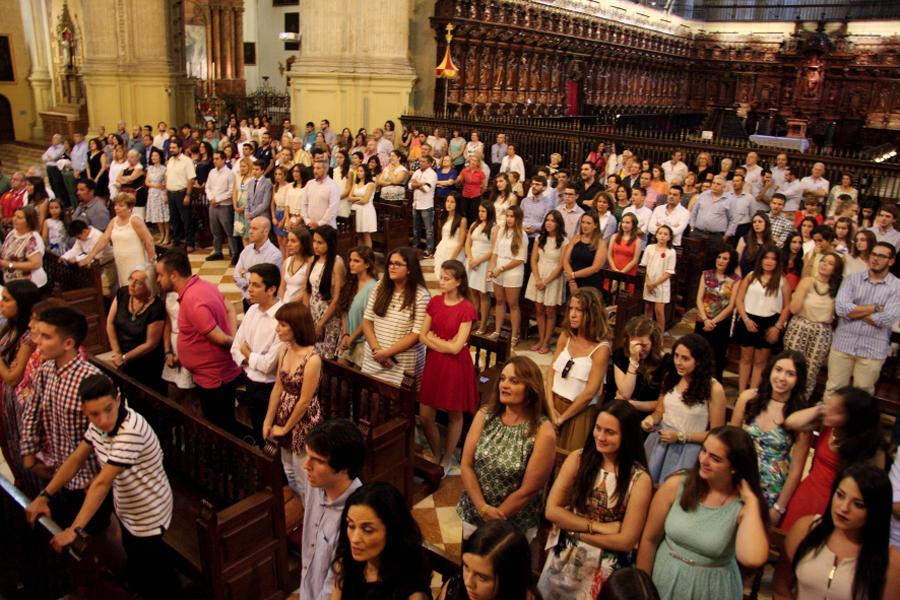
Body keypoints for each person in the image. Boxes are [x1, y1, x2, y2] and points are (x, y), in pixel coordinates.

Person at [24, 373, 180, 598]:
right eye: (94, 414)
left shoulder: (130, 432)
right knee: (137, 560)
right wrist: (44, 495)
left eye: (108, 409)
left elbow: (102, 482)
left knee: (156, 572)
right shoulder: (98, 426)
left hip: (149, 510)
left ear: (118, 399)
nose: (103, 420)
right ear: (85, 410)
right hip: (128, 505)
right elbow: (76, 458)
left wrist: (73, 530)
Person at [636, 426, 770, 600]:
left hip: (712, 589)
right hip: (664, 579)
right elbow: (649, 539)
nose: (703, 460)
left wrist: (752, 503)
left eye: (715, 458)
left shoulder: (743, 506)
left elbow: (752, 558)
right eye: (704, 451)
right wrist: (642, 588)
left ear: (734, 467)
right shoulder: (676, 485)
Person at [540, 401, 653, 597]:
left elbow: (625, 541)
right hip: (564, 560)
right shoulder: (578, 459)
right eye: (598, 429)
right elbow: (552, 510)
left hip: (605, 567)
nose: (600, 437)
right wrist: (598, 527)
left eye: (610, 432)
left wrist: (574, 531)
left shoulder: (639, 479)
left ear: (626, 435)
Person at [20, 307, 114, 533]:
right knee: (62, 524)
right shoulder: (44, 371)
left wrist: (101, 477)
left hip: (88, 479)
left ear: (68, 344)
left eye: (46, 337)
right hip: (58, 470)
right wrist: (30, 455)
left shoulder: (91, 380)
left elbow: (107, 434)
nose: (37, 342)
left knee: (91, 533)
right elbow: (31, 414)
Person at [457, 356, 557, 540]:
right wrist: (482, 508)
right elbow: (466, 465)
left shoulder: (543, 431)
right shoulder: (485, 415)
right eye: (502, 379)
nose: (504, 385)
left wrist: (495, 518)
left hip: (513, 524)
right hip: (474, 512)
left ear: (531, 388)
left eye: (514, 381)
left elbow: (528, 490)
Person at [773, 464, 900, 600]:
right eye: (840, 495)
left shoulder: (891, 562)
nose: (844, 508)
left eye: (858, 504)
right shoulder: (805, 529)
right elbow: (780, 588)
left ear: (875, 510)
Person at [156, 250, 241, 434]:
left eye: (160, 275)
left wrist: (235, 345)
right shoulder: (204, 285)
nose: (157, 280)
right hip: (210, 374)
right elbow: (229, 309)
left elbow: (217, 336)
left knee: (220, 428)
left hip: (215, 377)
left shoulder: (192, 299)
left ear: (174, 275)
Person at [780, 386, 886, 531]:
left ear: (852, 418)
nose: (828, 411)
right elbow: (791, 422)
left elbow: (875, 491)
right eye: (829, 405)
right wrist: (820, 409)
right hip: (806, 493)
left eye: (838, 411)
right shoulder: (828, 426)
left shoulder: (870, 448)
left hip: (835, 503)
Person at [730, 351, 812, 526]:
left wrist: (778, 508)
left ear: (799, 379)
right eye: (778, 370)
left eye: (790, 374)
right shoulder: (748, 398)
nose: (781, 378)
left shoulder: (801, 416)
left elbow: (796, 471)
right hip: (738, 478)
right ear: (770, 370)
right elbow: (730, 442)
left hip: (770, 489)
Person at [641, 334, 727, 483]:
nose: (678, 362)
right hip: (660, 442)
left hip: (688, 450)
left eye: (685, 359)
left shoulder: (714, 389)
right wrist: (651, 420)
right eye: (676, 356)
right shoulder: (670, 377)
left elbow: (716, 434)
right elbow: (660, 411)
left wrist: (680, 436)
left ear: (699, 361)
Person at [419, 259, 478, 474]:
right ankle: (436, 450)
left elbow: (455, 350)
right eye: (441, 277)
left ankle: (447, 457)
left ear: (458, 281)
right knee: (425, 414)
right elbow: (422, 336)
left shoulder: (466, 309)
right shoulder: (435, 302)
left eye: (446, 278)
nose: (441, 282)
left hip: (455, 367)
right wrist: (445, 343)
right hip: (434, 363)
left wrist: (439, 341)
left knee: (455, 414)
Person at [261, 301, 321, 504]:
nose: (277, 329)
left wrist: (285, 429)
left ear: (297, 327)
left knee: (302, 471)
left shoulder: (312, 358)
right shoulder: (284, 350)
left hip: (302, 420)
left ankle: (310, 513)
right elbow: (277, 387)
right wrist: (268, 421)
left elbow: (304, 401)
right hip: (283, 415)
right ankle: (300, 507)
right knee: (288, 468)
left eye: (283, 325)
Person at [299, 418, 365, 600]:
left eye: (317, 460)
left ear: (344, 468)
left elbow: (338, 585)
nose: (306, 466)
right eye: (307, 455)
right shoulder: (314, 482)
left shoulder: (357, 515)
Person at [331, 483, 432, 600]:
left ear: (392, 532)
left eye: (367, 530)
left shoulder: (412, 593)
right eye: (351, 525)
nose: (354, 539)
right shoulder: (347, 561)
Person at [824, 241, 900, 398]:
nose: (875, 259)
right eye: (873, 254)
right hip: (844, 344)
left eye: (881, 256)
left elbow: (886, 320)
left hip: (872, 349)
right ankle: (829, 423)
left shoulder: (897, 286)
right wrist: (875, 308)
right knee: (833, 390)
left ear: (891, 261)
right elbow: (841, 309)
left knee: (862, 396)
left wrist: (855, 309)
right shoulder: (853, 279)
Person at [546, 287, 611, 452]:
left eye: (579, 310)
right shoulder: (566, 336)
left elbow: (590, 392)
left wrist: (562, 418)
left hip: (578, 414)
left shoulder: (601, 349)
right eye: (571, 309)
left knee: (569, 461)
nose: (572, 314)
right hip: (552, 406)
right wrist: (549, 407)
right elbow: (551, 372)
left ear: (591, 313)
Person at [231, 263, 284, 446]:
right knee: (258, 434)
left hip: (270, 389)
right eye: (249, 284)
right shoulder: (252, 310)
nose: (249, 289)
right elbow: (235, 348)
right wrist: (250, 357)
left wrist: (247, 354)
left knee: (272, 440)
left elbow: (269, 365)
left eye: (255, 285)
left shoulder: (282, 318)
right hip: (249, 382)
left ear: (271, 289)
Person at [361, 247, 430, 387]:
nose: (392, 267)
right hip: (374, 359)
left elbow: (416, 335)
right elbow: (367, 321)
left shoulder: (421, 295)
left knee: (398, 406)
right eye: (390, 264)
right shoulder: (380, 286)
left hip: (402, 365)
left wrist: (387, 353)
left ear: (410, 268)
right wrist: (377, 350)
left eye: (397, 264)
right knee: (369, 402)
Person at [783, 251, 842, 399]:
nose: (825, 265)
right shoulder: (808, 281)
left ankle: (801, 403)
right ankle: (784, 400)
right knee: (791, 366)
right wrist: (802, 289)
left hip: (821, 332)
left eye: (830, 263)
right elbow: (793, 309)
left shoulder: (838, 288)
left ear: (836, 269)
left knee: (811, 371)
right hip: (800, 326)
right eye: (823, 261)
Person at [734, 244, 792, 393]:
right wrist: (746, 319)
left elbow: (787, 307)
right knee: (745, 359)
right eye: (766, 257)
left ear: (778, 262)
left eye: (773, 259)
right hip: (749, 319)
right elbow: (739, 300)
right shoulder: (751, 276)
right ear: (761, 259)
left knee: (760, 362)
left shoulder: (782, 281)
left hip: (769, 322)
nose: (769, 261)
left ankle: (752, 393)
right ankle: (741, 393)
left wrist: (777, 327)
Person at [0, 281, 40, 487]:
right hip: (4, 400)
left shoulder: (28, 337)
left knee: (18, 449)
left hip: (17, 405)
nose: (1, 304)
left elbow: (13, 377)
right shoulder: (11, 327)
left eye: (7, 300)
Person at [437, 520, 537, 600]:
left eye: (482, 577)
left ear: (509, 579)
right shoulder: (456, 586)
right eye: (466, 567)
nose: (468, 582)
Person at [79, 192, 156, 293]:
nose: (116, 208)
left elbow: (148, 239)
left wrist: (151, 263)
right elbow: (104, 239)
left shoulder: (135, 220)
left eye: (121, 205)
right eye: (115, 205)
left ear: (129, 207)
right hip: (121, 262)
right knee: (125, 286)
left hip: (136, 262)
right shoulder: (113, 221)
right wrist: (89, 257)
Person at [106, 267, 165, 392]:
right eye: (131, 279)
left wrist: (124, 358)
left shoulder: (156, 307)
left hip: (146, 362)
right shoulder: (122, 293)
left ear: (149, 287)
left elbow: (151, 343)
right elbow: (110, 323)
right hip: (122, 357)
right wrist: (117, 352)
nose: (131, 285)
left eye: (138, 282)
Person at [694, 244, 740, 382]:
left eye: (725, 258)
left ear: (730, 261)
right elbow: (699, 298)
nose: (720, 260)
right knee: (698, 354)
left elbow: (731, 305)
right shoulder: (706, 274)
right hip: (703, 319)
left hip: (721, 323)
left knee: (717, 357)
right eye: (719, 257)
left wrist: (713, 321)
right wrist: (705, 318)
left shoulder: (735, 279)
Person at [613, 315, 674, 414]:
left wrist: (632, 404)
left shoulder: (667, 362)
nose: (638, 350)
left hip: (650, 416)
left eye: (644, 345)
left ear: (653, 343)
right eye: (634, 345)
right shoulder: (621, 355)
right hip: (621, 413)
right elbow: (625, 393)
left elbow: (663, 403)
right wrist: (633, 361)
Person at [525, 210, 567, 353]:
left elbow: (561, 265)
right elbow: (533, 259)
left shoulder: (563, 241)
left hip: (553, 277)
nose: (549, 223)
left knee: (550, 311)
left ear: (558, 224)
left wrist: (546, 281)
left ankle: (547, 342)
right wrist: (537, 278)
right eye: (547, 220)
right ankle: (541, 339)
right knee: (539, 309)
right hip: (538, 274)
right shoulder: (539, 238)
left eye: (553, 220)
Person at [487, 205, 528, 346]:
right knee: (499, 301)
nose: (509, 219)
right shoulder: (501, 232)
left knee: (513, 304)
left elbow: (520, 259)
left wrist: (501, 268)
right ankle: (497, 330)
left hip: (513, 272)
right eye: (508, 216)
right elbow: (495, 252)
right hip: (499, 268)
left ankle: (514, 335)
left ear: (518, 218)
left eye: (512, 216)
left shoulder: (522, 234)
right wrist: (491, 268)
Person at [302, 224, 344, 360]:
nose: (315, 246)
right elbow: (306, 290)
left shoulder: (336, 263)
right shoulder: (312, 260)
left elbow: (337, 297)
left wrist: (321, 323)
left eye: (320, 242)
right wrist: (307, 315)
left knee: (325, 356)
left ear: (330, 243)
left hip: (329, 315)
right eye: (314, 241)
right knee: (311, 353)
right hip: (312, 312)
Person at [337, 246, 378, 369]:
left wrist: (352, 338)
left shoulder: (373, 287)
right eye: (350, 260)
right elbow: (344, 310)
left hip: (362, 341)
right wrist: (345, 334)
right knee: (341, 371)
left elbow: (368, 318)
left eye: (356, 261)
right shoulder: (350, 282)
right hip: (347, 337)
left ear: (367, 265)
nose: (351, 264)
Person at [466, 200, 497, 334]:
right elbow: (467, 243)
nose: (480, 214)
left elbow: (493, 250)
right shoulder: (474, 225)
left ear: (489, 212)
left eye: (483, 211)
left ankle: (483, 324)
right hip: (472, 262)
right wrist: (471, 258)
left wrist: (478, 261)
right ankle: (473, 321)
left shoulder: (495, 227)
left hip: (484, 263)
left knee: (483, 295)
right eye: (479, 211)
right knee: (473, 294)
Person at [641, 224, 676, 333]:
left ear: (669, 237)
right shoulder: (650, 248)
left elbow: (669, 272)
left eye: (665, 234)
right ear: (656, 235)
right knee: (647, 309)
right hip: (648, 283)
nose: (662, 236)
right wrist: (648, 282)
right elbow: (644, 266)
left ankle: (659, 337)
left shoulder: (671, 252)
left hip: (661, 285)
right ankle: (647, 333)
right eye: (660, 233)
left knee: (659, 311)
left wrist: (654, 284)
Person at [0, 206, 47, 287]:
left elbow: (36, 264)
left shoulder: (32, 239)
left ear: (29, 221)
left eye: (19, 217)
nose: (14, 219)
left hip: (28, 284)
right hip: (10, 280)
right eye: (14, 216)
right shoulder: (13, 232)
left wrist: (8, 264)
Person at [563, 210, 608, 294]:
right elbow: (565, 260)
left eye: (588, 223)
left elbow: (595, 268)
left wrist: (573, 275)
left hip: (590, 284)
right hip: (572, 282)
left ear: (595, 225)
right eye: (583, 222)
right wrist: (572, 281)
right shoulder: (575, 238)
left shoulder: (601, 243)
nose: (584, 226)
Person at [165, 140, 196, 250]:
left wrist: (188, 194)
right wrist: (165, 193)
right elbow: (167, 177)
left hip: (182, 192)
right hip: (171, 192)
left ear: (180, 148)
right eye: (170, 148)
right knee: (174, 219)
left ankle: (190, 242)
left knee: (186, 219)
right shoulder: (170, 160)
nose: (171, 150)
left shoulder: (187, 161)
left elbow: (191, 178)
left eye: (174, 147)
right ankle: (177, 240)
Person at [409, 155, 437, 257]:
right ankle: (415, 247)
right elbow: (409, 185)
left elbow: (426, 188)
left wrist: (416, 184)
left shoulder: (432, 174)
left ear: (429, 163)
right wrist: (420, 184)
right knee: (416, 228)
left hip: (426, 205)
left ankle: (429, 250)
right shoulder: (417, 172)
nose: (421, 163)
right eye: (420, 161)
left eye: (424, 161)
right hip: (416, 204)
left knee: (429, 230)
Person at [279, 225, 313, 303]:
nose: (289, 244)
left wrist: (290, 302)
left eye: (293, 241)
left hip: (299, 305)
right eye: (288, 240)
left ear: (303, 243)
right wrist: (281, 303)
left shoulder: (310, 263)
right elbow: (282, 287)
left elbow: (307, 290)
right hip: (285, 304)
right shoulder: (287, 261)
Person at [433, 193, 468, 270]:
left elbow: (461, 242)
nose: (449, 204)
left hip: (455, 251)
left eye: (452, 202)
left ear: (457, 204)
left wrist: (452, 258)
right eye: (447, 201)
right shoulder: (443, 218)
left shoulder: (462, 220)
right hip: (442, 248)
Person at [144, 148, 170, 245]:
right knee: (157, 216)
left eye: (156, 156)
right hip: (152, 193)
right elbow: (146, 182)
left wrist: (165, 193)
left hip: (161, 194)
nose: (154, 157)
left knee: (164, 216)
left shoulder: (164, 169)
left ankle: (167, 236)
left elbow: (166, 184)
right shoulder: (150, 168)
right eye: (152, 156)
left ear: (160, 157)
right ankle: (161, 234)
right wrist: (155, 185)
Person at [735, 211, 774, 276]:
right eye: (754, 222)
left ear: (766, 224)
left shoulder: (771, 243)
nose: (756, 224)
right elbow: (736, 261)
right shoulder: (744, 239)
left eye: (760, 221)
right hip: (742, 275)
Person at [349, 164, 377, 248]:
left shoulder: (370, 184)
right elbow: (349, 198)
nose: (358, 173)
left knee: (366, 235)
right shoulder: (355, 184)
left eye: (361, 171)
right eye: (358, 171)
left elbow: (365, 200)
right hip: (356, 211)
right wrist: (359, 198)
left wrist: (355, 200)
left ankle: (368, 256)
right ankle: (360, 254)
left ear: (366, 172)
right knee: (359, 235)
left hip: (366, 211)